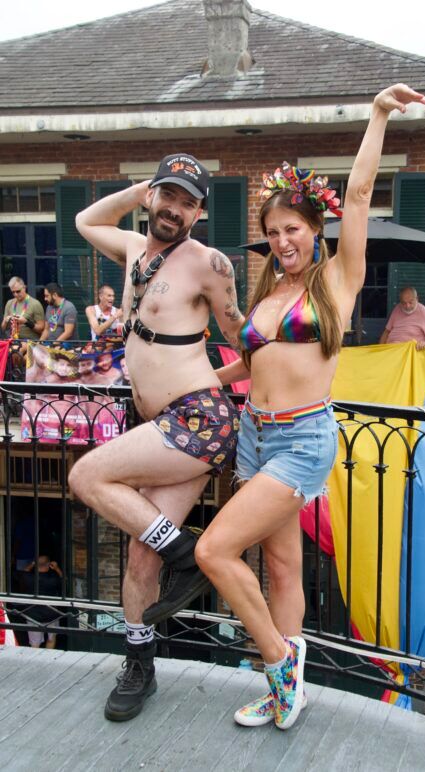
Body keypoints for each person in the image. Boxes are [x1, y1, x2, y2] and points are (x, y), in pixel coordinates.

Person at [191, 85, 425, 731]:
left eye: (290, 229)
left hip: (301, 440)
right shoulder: (270, 290)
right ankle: (282, 695)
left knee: (213, 551)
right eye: (270, 233)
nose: (279, 241)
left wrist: (377, 114)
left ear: (313, 228)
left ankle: (277, 667)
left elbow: (357, 193)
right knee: (279, 567)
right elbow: (253, 361)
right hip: (253, 435)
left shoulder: (336, 280)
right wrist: (203, 378)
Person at [68, 152, 244, 722]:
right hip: (160, 426)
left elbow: (248, 346)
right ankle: (140, 664)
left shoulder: (210, 265)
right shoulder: (131, 250)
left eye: (188, 202)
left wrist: (208, 383)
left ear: (200, 213)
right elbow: (85, 222)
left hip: (197, 419)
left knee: (85, 475)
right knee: (142, 557)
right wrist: (144, 186)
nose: (174, 209)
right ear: (152, 198)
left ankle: (187, 553)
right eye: (167, 196)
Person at [378, 286, 425, 350]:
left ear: (417, 299)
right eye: (404, 303)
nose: (407, 306)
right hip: (391, 349)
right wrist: (380, 349)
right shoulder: (397, 308)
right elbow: (387, 331)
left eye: (410, 302)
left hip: (409, 352)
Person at [22, 555, 63, 649]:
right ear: (49, 565)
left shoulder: (28, 578)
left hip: (32, 614)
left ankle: (36, 661)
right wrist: (57, 568)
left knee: (34, 643)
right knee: (51, 639)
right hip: (51, 613)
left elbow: (23, 572)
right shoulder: (53, 579)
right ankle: (48, 659)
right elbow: (63, 580)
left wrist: (32, 564)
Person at [1, 277, 45, 342]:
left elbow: (41, 328)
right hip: (13, 340)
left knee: (15, 350)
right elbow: (3, 329)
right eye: (13, 292)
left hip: (29, 341)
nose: (15, 294)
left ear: (24, 288)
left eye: (18, 291)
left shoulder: (35, 304)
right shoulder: (9, 303)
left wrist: (26, 322)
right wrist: (5, 321)